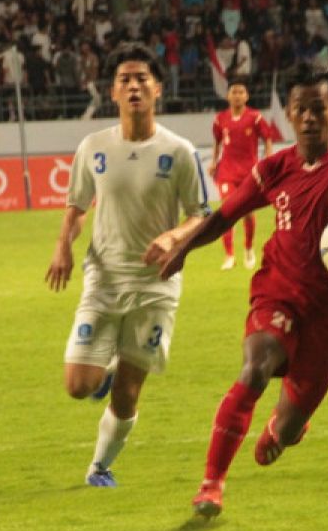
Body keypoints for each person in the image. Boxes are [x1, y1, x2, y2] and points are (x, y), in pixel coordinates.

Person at [146, 63, 328, 517]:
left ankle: (282, 427)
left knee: (289, 429)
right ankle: (211, 485)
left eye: (318, 108)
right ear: (289, 116)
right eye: (300, 110)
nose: (309, 117)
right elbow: (223, 216)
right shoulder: (273, 169)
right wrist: (184, 244)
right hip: (279, 292)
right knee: (255, 367)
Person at [46, 42, 211, 487]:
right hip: (103, 278)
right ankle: (107, 365)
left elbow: (202, 213)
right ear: (112, 93)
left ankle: (99, 466)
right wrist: (63, 245)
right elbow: (77, 205)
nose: (134, 85)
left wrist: (175, 235)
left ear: (158, 89)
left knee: (128, 392)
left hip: (156, 283)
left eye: (142, 79)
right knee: (78, 384)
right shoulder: (93, 146)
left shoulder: (178, 151)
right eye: (125, 80)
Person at [211, 78, 274, 270]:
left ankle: (248, 249)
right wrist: (214, 162)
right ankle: (229, 255)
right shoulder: (220, 119)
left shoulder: (255, 117)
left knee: (247, 213)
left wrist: (268, 159)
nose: (237, 95)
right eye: (234, 92)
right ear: (228, 96)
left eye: (241, 92)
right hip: (227, 173)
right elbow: (217, 142)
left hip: (249, 173)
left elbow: (268, 138)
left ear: (246, 96)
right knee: (227, 211)